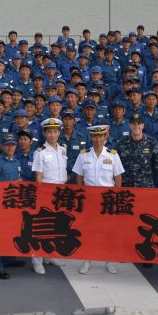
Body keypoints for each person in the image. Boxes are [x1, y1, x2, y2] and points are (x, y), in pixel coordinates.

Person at [72, 125, 124, 275]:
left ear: (105, 137)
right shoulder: (83, 155)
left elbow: (118, 177)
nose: (98, 139)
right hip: (89, 199)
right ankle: (87, 260)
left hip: (107, 199)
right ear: (91, 137)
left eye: (101, 136)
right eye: (95, 136)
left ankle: (109, 260)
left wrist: (116, 198)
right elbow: (79, 177)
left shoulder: (113, 155)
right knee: (88, 231)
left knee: (108, 231)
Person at [30, 118, 69, 274]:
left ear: (59, 132)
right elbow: (38, 177)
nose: (52, 134)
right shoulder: (40, 153)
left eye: (55, 131)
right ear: (45, 133)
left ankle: (49, 255)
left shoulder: (63, 150)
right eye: (49, 132)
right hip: (46, 193)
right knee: (41, 227)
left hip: (60, 193)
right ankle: (37, 260)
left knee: (55, 226)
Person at [0, 136, 26, 279]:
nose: (10, 147)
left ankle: (9, 260)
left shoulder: (16, 161)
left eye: (13, 145)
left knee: (11, 232)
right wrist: (13, 184)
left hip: (13, 204)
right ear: (2, 146)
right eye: (7, 145)